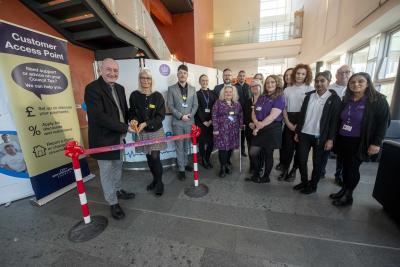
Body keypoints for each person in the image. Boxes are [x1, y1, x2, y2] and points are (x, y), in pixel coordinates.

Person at [84, 58, 135, 220]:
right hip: (103, 140)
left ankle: (118, 190)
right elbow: (99, 117)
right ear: (100, 70)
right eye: (109, 69)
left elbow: (124, 110)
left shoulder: (120, 88)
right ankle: (113, 202)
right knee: (106, 171)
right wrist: (125, 127)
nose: (112, 73)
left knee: (118, 166)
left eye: (115, 70)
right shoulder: (92, 89)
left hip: (119, 137)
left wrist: (132, 120)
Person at [330, 72, 390, 206]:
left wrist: (376, 143)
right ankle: (344, 190)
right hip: (343, 139)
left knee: (352, 169)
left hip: (360, 141)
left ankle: (348, 196)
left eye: (360, 81)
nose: (356, 84)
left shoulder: (377, 100)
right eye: (352, 82)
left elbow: (383, 123)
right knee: (344, 167)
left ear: (367, 83)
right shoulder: (347, 99)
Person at [294, 71, 341, 193]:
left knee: (317, 163)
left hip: (321, 136)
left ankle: (313, 185)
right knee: (301, 159)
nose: (319, 83)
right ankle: (304, 182)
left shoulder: (334, 99)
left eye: (322, 81)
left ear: (328, 82)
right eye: (317, 81)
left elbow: (334, 121)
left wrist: (330, 139)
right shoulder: (309, 96)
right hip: (304, 133)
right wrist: (297, 132)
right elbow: (302, 115)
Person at [129, 69, 166, 197]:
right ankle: (155, 179)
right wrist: (134, 120)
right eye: (143, 78)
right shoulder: (134, 95)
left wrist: (146, 123)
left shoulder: (158, 96)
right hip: (142, 132)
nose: (146, 80)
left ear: (152, 80)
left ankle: (160, 182)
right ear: (139, 80)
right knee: (149, 158)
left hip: (155, 130)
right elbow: (132, 112)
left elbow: (161, 116)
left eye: (148, 78)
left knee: (155, 157)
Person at [246, 75, 285, 183]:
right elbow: (254, 111)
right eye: (267, 83)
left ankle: (266, 177)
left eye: (272, 82)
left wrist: (258, 125)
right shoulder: (263, 96)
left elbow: (272, 116)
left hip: (272, 129)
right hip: (260, 127)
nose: (270, 84)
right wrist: (256, 122)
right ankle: (256, 173)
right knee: (253, 152)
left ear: (277, 83)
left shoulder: (279, 97)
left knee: (268, 154)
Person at [279, 64, 314, 181]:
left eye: (303, 74)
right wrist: (288, 123)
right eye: (298, 73)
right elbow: (284, 108)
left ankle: (294, 170)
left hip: (304, 120)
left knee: (300, 150)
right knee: (287, 148)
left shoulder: (310, 89)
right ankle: (285, 169)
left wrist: (300, 124)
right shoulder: (287, 90)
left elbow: (310, 109)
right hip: (289, 118)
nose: (300, 76)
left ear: (306, 75)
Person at [167, 64, 198, 181]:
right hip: (178, 122)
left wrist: (190, 115)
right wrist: (180, 116)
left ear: (187, 75)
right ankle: (181, 169)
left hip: (190, 122)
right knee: (179, 146)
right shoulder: (171, 89)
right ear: (177, 74)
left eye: (184, 73)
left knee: (186, 145)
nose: (182, 75)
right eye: (180, 72)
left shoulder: (193, 89)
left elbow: (195, 105)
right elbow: (170, 105)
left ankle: (185, 163)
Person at [327, 65, 353, 185]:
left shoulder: (355, 89)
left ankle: (339, 175)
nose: (344, 75)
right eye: (341, 72)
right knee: (324, 148)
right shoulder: (329, 89)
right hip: (329, 124)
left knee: (342, 153)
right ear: (336, 75)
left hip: (346, 127)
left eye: (347, 72)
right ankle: (320, 171)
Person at [212, 85, 243, 178]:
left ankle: (226, 165)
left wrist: (241, 125)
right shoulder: (218, 103)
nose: (228, 93)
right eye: (226, 92)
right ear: (223, 93)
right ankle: (222, 167)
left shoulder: (237, 104)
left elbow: (240, 115)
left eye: (230, 92)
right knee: (222, 149)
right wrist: (215, 128)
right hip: (222, 131)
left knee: (230, 148)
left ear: (233, 93)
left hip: (233, 131)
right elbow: (214, 115)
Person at [195, 74, 217, 169]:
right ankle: (203, 160)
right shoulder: (196, 94)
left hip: (211, 122)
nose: (205, 82)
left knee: (211, 142)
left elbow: (215, 108)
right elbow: (197, 108)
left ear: (208, 82)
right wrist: (204, 121)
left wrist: (211, 120)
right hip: (201, 122)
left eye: (206, 80)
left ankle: (208, 158)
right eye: (203, 80)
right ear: (200, 82)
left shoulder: (213, 93)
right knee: (202, 142)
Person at [276, 67, 293, 172]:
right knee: (282, 144)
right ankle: (282, 163)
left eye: (290, 75)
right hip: (282, 119)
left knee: (289, 146)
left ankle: (288, 167)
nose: (288, 77)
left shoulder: (303, 89)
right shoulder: (283, 90)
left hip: (292, 119)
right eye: (286, 75)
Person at [243, 80, 262, 173]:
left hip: (261, 129)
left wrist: (257, 124)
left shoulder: (264, 100)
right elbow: (244, 115)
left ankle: (260, 167)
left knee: (259, 149)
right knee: (250, 148)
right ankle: (252, 166)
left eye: (256, 85)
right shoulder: (247, 101)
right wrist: (249, 123)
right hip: (249, 128)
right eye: (252, 86)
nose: (254, 87)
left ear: (260, 87)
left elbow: (266, 114)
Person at [235, 70, 251, 157]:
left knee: (246, 133)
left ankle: (246, 149)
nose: (241, 77)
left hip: (248, 114)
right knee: (240, 133)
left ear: (245, 77)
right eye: (240, 76)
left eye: (243, 76)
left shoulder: (248, 87)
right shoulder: (234, 87)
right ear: (237, 77)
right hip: (238, 114)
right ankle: (241, 149)